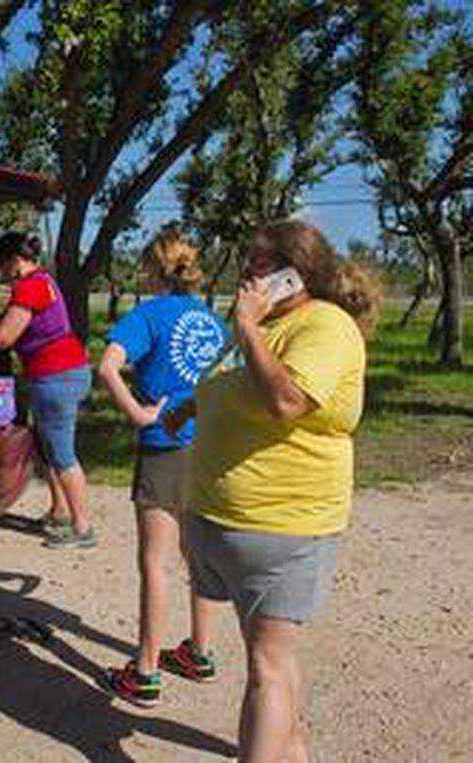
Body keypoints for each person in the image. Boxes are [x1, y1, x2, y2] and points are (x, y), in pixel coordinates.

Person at [178, 220, 381, 761]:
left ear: (298, 274)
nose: (247, 272)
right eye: (248, 260)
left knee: (266, 668)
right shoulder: (260, 326)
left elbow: (287, 401)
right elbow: (227, 382)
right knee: (272, 658)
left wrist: (246, 325)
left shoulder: (327, 327)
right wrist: (183, 408)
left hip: (283, 525)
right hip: (223, 520)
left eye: (261, 263)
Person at [96, 231, 227, 707]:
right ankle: (200, 652)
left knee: (157, 563)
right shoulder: (213, 321)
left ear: (154, 268)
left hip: (164, 447)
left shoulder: (148, 314)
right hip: (210, 449)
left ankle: (146, 673)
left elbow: (107, 366)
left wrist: (136, 413)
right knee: (200, 558)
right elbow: (227, 379)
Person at [0, 232, 94, 548]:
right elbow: (11, 321)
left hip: (56, 377)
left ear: (12, 260)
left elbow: (4, 338)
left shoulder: (29, 287)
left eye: (0, 263)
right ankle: (61, 511)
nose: (0, 271)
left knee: (62, 453)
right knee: (47, 447)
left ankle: (83, 527)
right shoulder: (43, 281)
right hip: (66, 371)